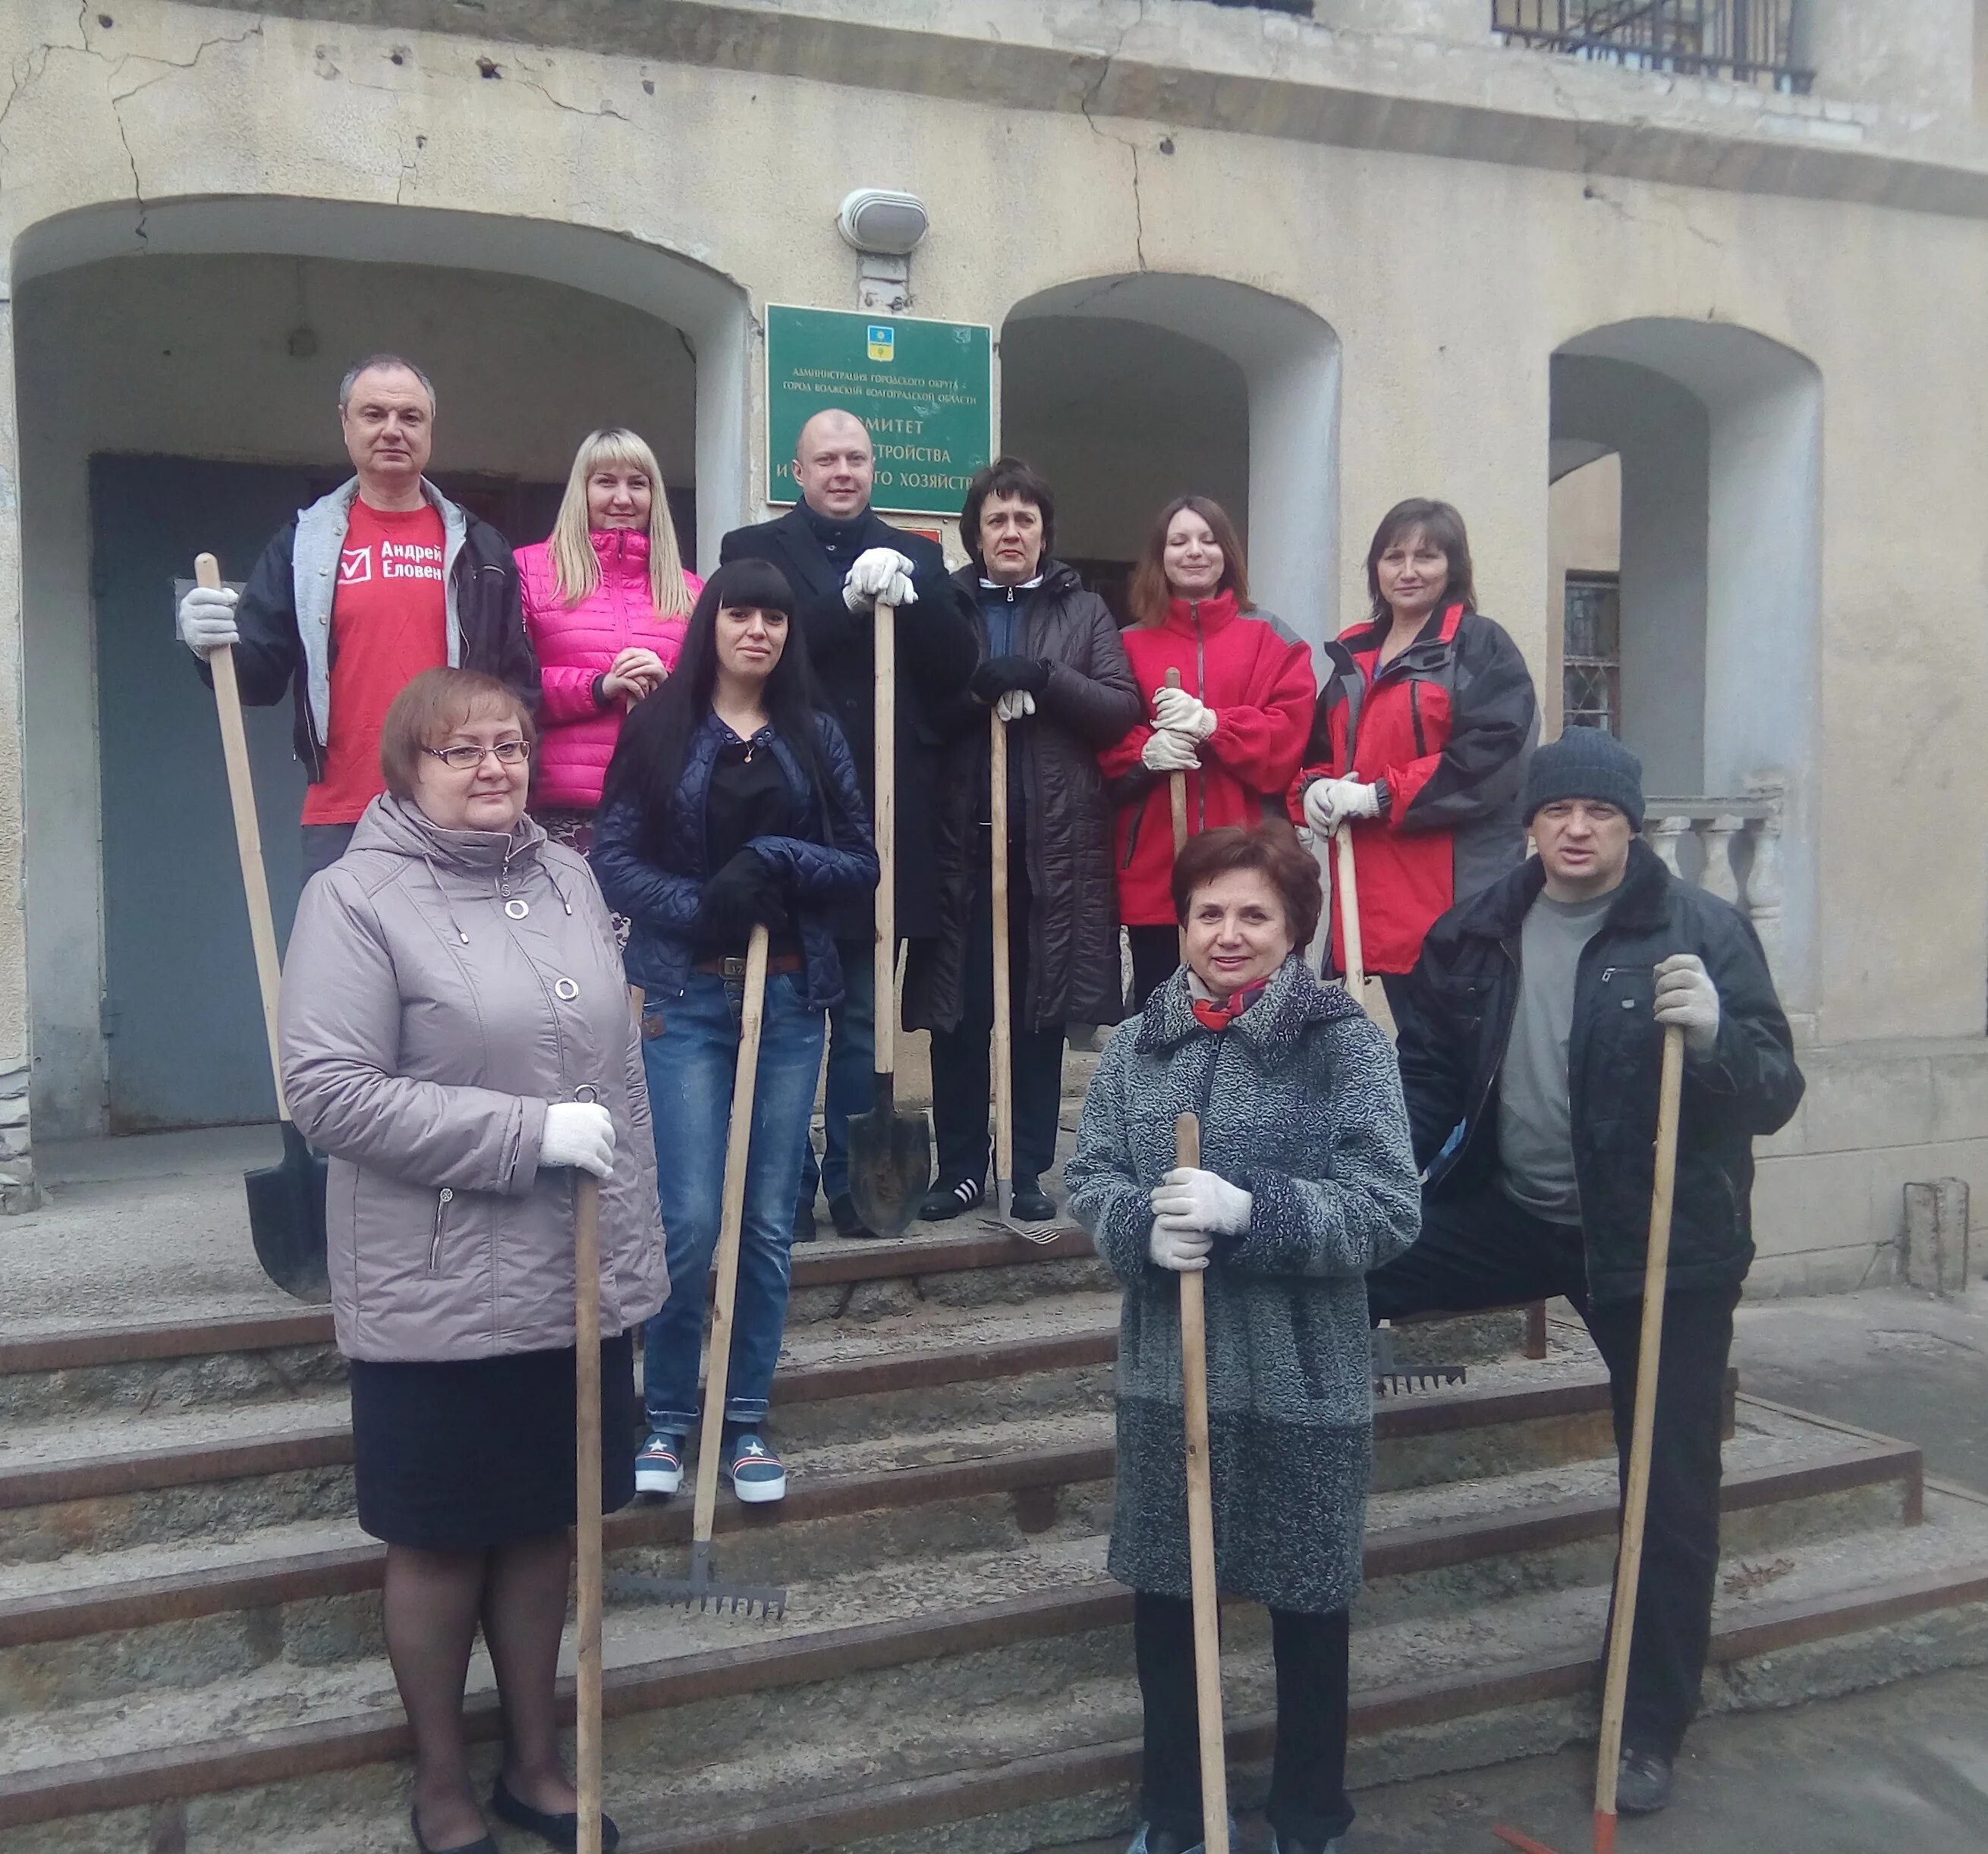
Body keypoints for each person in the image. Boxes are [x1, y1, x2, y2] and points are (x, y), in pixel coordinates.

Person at [1369, 729, 1805, 1819]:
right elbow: (1425, 1073)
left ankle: (1648, 1721)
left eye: (1600, 815)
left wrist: (1713, 1039)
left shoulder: (1696, 932)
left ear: (1630, 826)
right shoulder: (1476, 931)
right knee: (1339, 1257)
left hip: (1659, 1245)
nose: (1577, 829)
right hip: (1514, 1211)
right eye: (1560, 811)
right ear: (1532, 822)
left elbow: (1774, 1091)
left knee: (1668, 1483)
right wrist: (1385, 1176)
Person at [280, 668, 661, 1854]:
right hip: (437, 1277)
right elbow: (326, 1094)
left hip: (569, 1268)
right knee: (442, 1539)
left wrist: (639, 1243)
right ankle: (441, 1782)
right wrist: (524, 1134)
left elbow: (618, 1079)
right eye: (462, 752)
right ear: (407, 769)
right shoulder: (352, 900)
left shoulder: (567, 871)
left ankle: (537, 1761)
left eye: (509, 746)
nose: (494, 768)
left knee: (545, 1523)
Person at [1066, 822, 1420, 1854]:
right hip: (1168, 1379)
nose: (1229, 935)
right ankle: (1176, 1813)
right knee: (1170, 1608)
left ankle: (1310, 1818)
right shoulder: (1138, 1045)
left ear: (1295, 929)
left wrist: (1248, 1210)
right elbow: (1090, 1179)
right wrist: (1141, 1227)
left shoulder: (1342, 1043)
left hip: (1300, 1375)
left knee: (1308, 1606)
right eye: (1209, 913)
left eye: (1254, 915)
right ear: (1180, 924)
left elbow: (1386, 1207)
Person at [591, 559, 879, 1505]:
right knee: (687, 1218)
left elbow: (859, 863)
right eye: (740, 612)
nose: (757, 629)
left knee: (763, 1225)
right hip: (687, 999)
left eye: (774, 616)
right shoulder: (658, 727)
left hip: (791, 1001)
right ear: (711, 620)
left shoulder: (816, 734)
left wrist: (771, 856)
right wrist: (706, 901)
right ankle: (668, 1415)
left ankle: (742, 1415)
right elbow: (614, 861)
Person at [720, 408, 978, 1238]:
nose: (842, 470)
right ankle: (787, 1189)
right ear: (796, 470)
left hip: (886, 813)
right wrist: (843, 602)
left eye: (857, 458)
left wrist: (913, 594)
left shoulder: (924, 555)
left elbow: (953, 668)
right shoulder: (748, 552)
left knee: (866, 1015)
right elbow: (766, 652)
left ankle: (852, 1183)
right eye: (826, 458)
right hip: (790, 805)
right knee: (788, 1010)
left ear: (875, 468)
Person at [175, 354, 539, 879]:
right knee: (346, 963)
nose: (393, 430)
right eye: (374, 415)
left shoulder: (481, 549)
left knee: (461, 963)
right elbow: (256, 679)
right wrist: (207, 646)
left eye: (410, 417)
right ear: (345, 424)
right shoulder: (301, 545)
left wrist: (509, 791)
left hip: (460, 813)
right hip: (342, 815)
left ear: (429, 430)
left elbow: (518, 685)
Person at [904, 459, 1140, 1223]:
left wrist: (1043, 675)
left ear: (1044, 532)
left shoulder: (1084, 613)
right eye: (996, 519)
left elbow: (1117, 707)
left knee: (1039, 1014)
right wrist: (976, 690)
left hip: (1053, 852)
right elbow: (917, 710)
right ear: (974, 532)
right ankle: (963, 1166)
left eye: (1024, 518)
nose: (1011, 531)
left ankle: (1030, 1165)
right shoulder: (948, 604)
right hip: (962, 850)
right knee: (961, 1014)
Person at [1294, 498, 1537, 1010]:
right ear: (1375, 568)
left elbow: (1493, 753)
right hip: (1377, 888)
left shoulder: (1479, 646)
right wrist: (1314, 787)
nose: (1407, 571)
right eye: (1393, 556)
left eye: (1426, 557)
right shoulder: (1354, 654)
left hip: (1458, 890)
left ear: (1453, 567)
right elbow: (1318, 745)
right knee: (1418, 1050)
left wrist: (1381, 796)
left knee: (1463, 1054)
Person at [1099, 495, 1316, 1009]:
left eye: (1207, 539)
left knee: (1256, 1023)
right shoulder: (1124, 643)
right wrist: (1147, 751)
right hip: (1156, 870)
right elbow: (1101, 735)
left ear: (1228, 553)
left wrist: (1215, 725)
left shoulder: (1273, 638)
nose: (1194, 552)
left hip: (1252, 868)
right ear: (1161, 556)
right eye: (1179, 541)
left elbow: (1289, 737)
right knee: (1165, 1020)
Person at [515, 426, 703, 858]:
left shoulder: (690, 590)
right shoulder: (529, 570)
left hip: (659, 805)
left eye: (638, 483)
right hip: (557, 809)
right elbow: (509, 686)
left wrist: (668, 688)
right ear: (581, 491)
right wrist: (600, 687)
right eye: (606, 482)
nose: (623, 498)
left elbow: (716, 698)